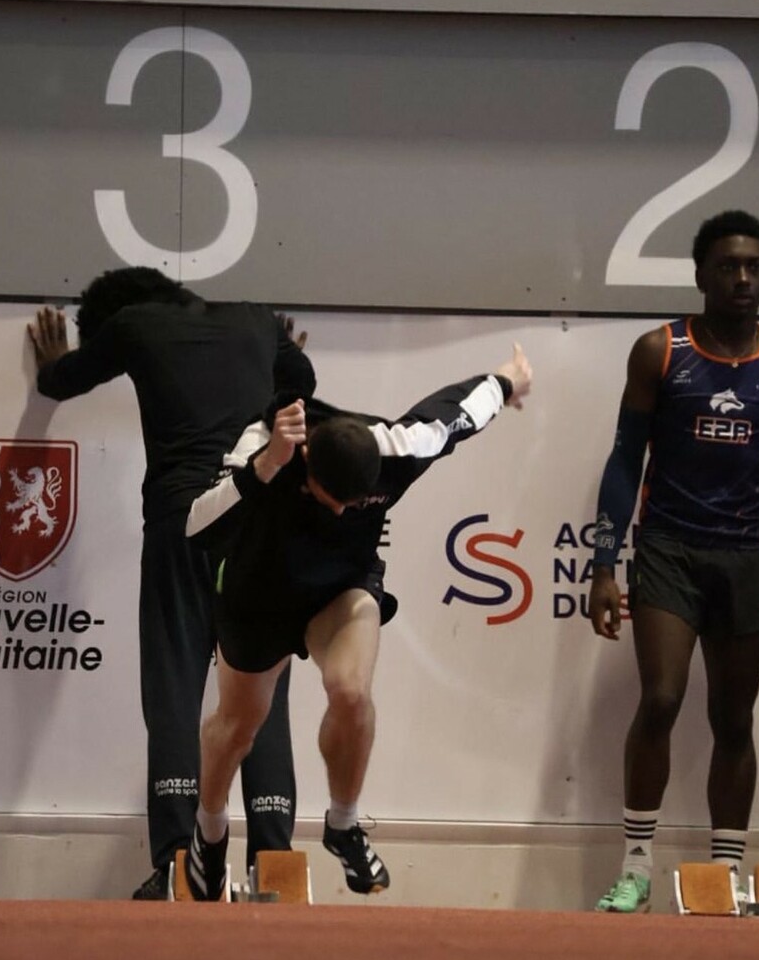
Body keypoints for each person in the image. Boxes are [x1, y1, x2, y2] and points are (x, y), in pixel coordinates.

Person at [182, 343, 533, 900]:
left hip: (339, 588)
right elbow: (197, 530)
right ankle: (209, 829)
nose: (342, 512)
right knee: (237, 727)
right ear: (307, 463)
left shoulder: (398, 448)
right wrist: (265, 465)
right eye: (330, 500)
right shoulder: (267, 444)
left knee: (350, 691)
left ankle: (343, 824)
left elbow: (460, 412)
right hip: (258, 596)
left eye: (356, 502)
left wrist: (508, 380)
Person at [27, 267, 316, 899]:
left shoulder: (133, 325)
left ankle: (181, 868)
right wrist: (269, 370)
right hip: (258, 521)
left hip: (183, 522)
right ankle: (277, 869)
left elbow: (64, 380)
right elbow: (304, 383)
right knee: (263, 697)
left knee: (174, 692)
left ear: (117, 314)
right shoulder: (256, 317)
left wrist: (50, 366)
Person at [589, 209, 759, 913]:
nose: (742, 278)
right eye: (727, 266)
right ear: (701, 275)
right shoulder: (660, 350)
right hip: (668, 550)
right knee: (660, 698)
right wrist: (602, 566)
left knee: (734, 719)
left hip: (744, 557)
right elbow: (625, 461)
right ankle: (636, 867)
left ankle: (725, 877)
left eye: (754, 267)